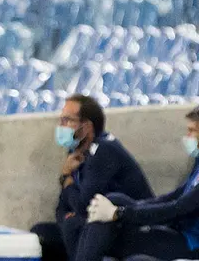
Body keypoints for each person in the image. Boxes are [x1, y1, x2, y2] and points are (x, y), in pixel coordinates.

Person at [31, 94, 154, 261]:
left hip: (127, 227)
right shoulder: (76, 151)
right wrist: (67, 214)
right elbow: (62, 208)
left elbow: (84, 206)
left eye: (67, 120)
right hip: (91, 225)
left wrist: (66, 178)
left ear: (87, 126)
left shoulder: (104, 150)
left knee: (73, 225)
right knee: (41, 233)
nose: (61, 126)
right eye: (61, 120)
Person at [79, 105, 199, 261]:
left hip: (190, 245)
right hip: (178, 231)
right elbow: (176, 195)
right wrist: (133, 206)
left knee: (113, 241)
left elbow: (178, 209)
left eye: (192, 131)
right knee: (115, 199)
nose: (187, 136)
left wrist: (119, 213)